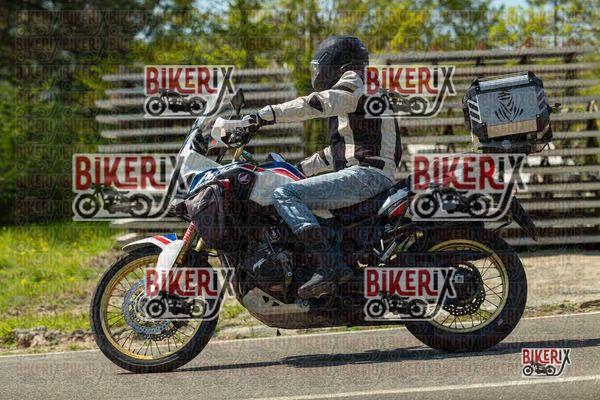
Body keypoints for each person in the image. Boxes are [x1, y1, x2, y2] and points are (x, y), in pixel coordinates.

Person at [242, 36, 401, 299]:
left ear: (335, 63)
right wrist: (298, 169)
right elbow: (336, 153)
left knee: (285, 194)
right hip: (365, 174)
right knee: (294, 189)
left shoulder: (356, 80)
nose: (317, 73)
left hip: (366, 175)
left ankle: (329, 265)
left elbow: (317, 103)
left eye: (319, 67)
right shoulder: (364, 90)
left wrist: (264, 115)